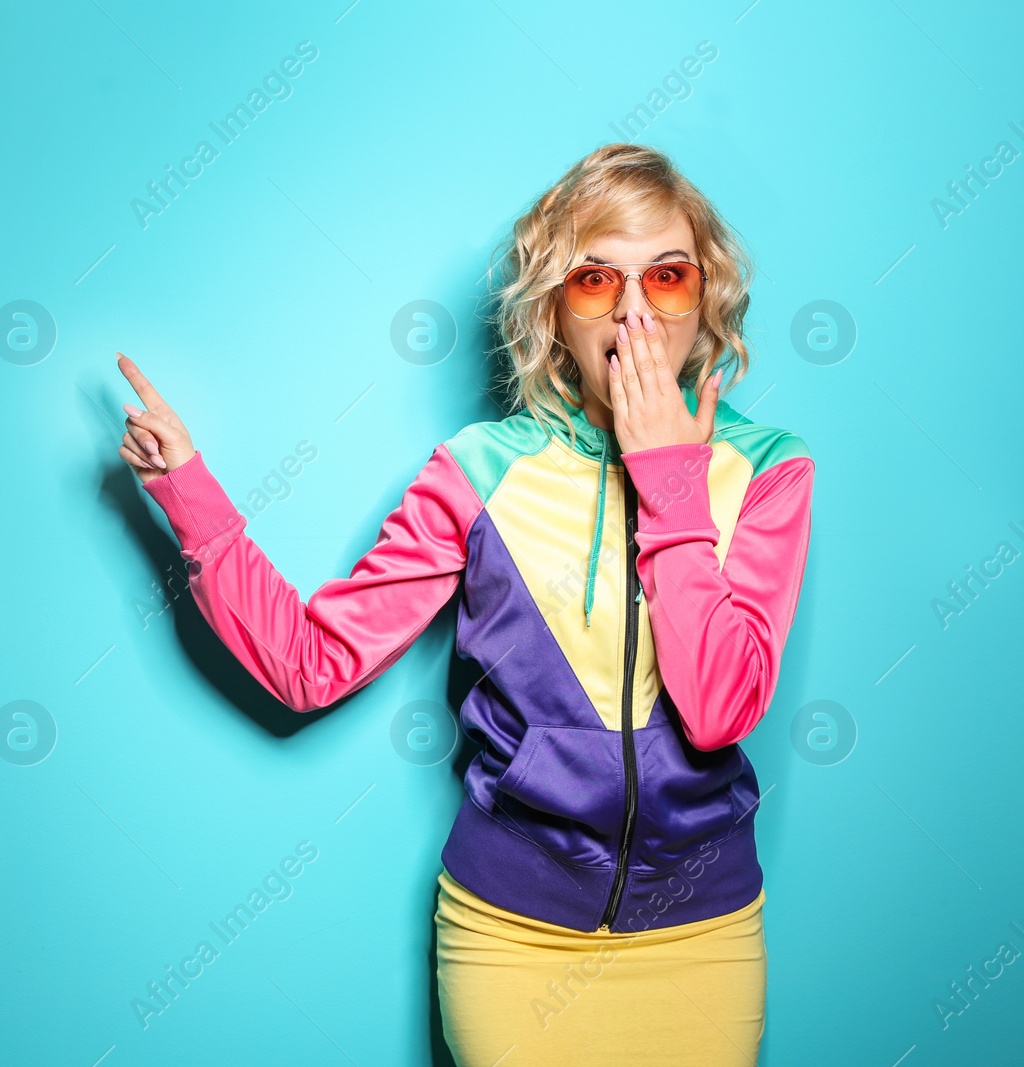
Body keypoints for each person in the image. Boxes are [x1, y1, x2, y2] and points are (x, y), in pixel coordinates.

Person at [114, 142, 814, 1066]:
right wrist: (189, 495)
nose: (637, 313)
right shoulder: (479, 473)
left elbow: (722, 709)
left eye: (668, 277)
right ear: (553, 312)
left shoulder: (768, 471)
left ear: (705, 298)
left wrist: (668, 478)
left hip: (703, 932)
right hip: (511, 936)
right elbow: (310, 667)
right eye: (597, 279)